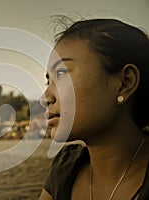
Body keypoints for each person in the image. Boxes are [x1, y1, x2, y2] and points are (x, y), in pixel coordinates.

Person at [39, 18, 149, 200]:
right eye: (48, 81)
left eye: (61, 73)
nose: (45, 98)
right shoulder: (65, 168)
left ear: (124, 83)